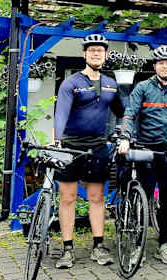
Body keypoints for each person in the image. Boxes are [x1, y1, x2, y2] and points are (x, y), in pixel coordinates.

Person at [119, 45, 167, 265]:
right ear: (155, 66)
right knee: (142, 198)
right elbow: (130, 114)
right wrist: (125, 137)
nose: (165, 67)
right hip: (145, 150)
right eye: (161, 63)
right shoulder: (142, 87)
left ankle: (163, 244)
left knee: (166, 199)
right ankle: (138, 245)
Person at [53, 34, 125, 269]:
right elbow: (61, 112)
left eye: (100, 50)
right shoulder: (71, 83)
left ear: (105, 55)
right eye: (92, 50)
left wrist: (125, 132)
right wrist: (57, 139)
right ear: (84, 54)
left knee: (96, 197)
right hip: (70, 146)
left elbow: (123, 112)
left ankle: (98, 246)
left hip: (97, 146)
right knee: (68, 198)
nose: (96, 53)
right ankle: (67, 249)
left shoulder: (111, 83)